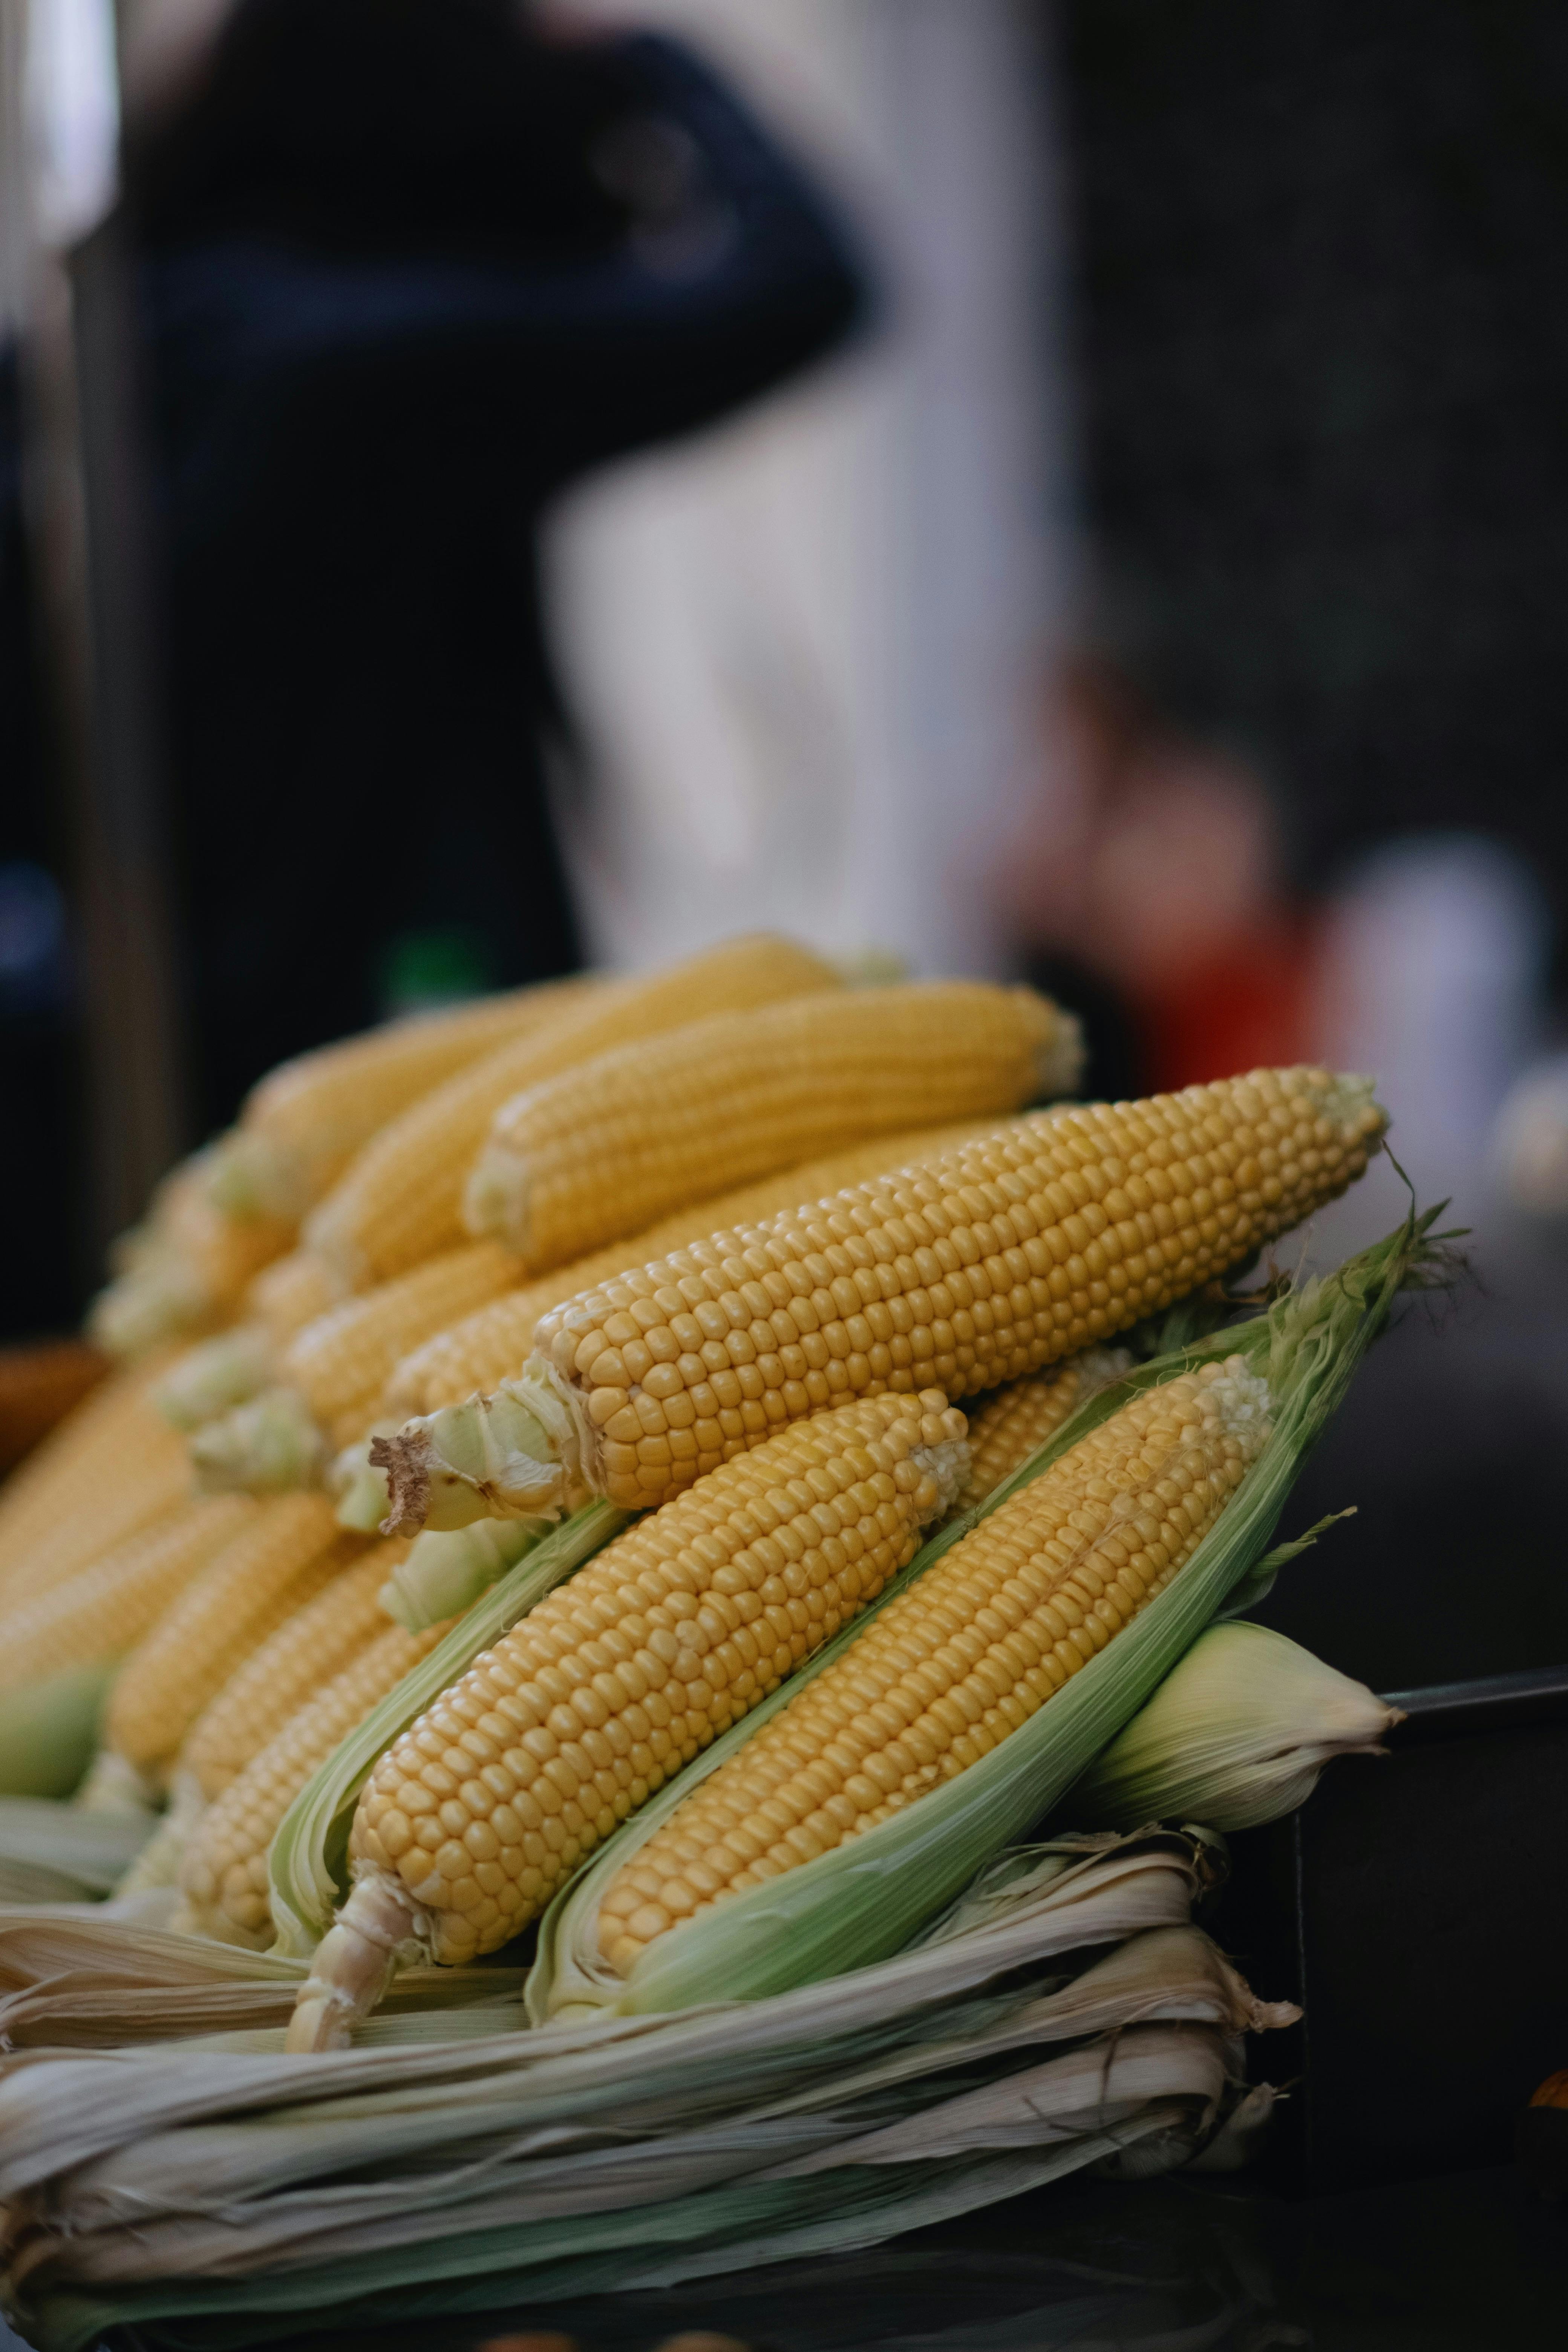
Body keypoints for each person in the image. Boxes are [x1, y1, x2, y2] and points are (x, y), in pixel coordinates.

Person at [122, 0, 869, 1125]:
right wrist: (655, 63)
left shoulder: (169, 332)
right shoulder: (375, 360)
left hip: (213, 1039)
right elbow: (802, 280)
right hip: (385, 1041)